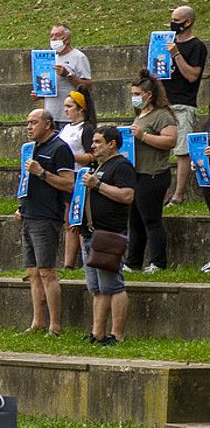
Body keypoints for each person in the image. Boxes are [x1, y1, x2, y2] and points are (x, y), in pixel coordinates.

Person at [17, 108, 75, 335]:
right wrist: (21, 206)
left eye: (33, 123)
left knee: (46, 271)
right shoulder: (30, 149)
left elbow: (69, 183)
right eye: (27, 123)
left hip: (47, 215)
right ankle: (37, 321)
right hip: (28, 213)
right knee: (32, 272)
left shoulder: (60, 148)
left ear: (48, 124)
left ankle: (55, 325)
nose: (29, 127)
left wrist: (42, 172)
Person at [80, 126, 137, 345]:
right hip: (92, 234)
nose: (92, 146)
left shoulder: (122, 165)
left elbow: (127, 195)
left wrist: (99, 185)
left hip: (110, 234)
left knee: (113, 286)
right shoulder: (99, 166)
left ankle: (117, 334)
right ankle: (97, 333)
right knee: (97, 289)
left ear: (111, 144)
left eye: (97, 142)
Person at [125, 70, 178, 273]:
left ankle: (158, 261)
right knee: (135, 220)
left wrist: (144, 137)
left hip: (153, 173)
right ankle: (133, 261)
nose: (135, 97)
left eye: (138, 93)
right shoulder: (141, 115)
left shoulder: (162, 115)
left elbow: (170, 141)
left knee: (151, 219)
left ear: (149, 95)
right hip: (137, 172)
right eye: (133, 93)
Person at [166, 6, 205, 204]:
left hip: (183, 104)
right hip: (163, 103)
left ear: (187, 22)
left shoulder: (197, 46)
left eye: (176, 19)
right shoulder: (166, 43)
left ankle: (179, 195)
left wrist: (176, 54)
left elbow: (192, 76)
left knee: (182, 150)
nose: (173, 23)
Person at [56, 91, 98, 268]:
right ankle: (69, 263)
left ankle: (87, 261)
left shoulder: (87, 129)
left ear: (81, 109)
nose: (65, 110)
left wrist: (69, 157)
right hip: (67, 176)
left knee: (80, 222)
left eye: (69, 106)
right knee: (69, 223)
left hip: (81, 178)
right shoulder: (66, 128)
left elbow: (93, 155)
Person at [37, 24, 93, 125]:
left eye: (58, 35)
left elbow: (88, 86)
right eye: (51, 36)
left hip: (69, 118)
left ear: (67, 38)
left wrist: (68, 75)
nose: (54, 38)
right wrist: (39, 93)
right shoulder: (49, 58)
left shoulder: (79, 57)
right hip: (50, 117)